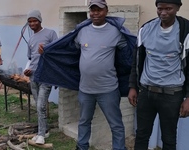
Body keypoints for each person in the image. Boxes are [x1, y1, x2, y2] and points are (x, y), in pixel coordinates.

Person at [36, 0, 136, 149]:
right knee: (84, 122)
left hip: (108, 89)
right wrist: (49, 50)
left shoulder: (115, 32)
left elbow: (127, 54)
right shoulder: (82, 31)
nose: (95, 13)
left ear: (106, 11)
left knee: (116, 124)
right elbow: (71, 52)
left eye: (99, 10)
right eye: (92, 10)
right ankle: (82, 147)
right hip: (85, 89)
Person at [128, 0, 189, 149]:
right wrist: (132, 86)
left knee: (168, 138)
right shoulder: (146, 29)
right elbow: (137, 60)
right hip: (146, 92)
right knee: (142, 134)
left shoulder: (185, 31)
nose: (163, 12)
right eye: (160, 8)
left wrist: (188, 97)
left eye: (168, 8)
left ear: (177, 9)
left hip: (172, 95)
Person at [24, 10, 58, 145]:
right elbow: (31, 58)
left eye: (35, 20)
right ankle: (45, 130)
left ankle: (41, 134)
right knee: (39, 104)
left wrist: (47, 50)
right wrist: (27, 69)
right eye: (30, 21)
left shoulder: (50, 33)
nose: (32, 23)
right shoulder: (31, 39)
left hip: (46, 76)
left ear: (40, 20)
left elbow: (57, 52)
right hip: (33, 76)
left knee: (40, 106)